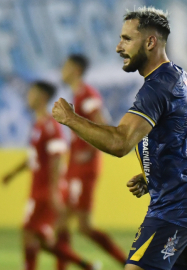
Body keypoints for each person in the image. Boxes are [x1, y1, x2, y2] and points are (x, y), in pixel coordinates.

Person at [52, 7, 187, 270]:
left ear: (150, 42)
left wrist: (70, 119)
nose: (119, 47)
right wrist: (156, 174)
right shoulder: (183, 78)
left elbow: (120, 142)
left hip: (173, 212)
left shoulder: (156, 88)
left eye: (127, 39)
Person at [2, 81, 98, 270]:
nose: (28, 97)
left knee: (29, 234)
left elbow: (57, 157)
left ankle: (83, 265)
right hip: (38, 188)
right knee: (41, 239)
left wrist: (54, 190)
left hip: (46, 190)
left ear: (42, 97)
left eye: (32, 93)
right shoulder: (37, 124)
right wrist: (12, 174)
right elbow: (34, 158)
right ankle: (86, 265)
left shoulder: (50, 126)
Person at [56, 54, 127, 269]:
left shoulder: (87, 94)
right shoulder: (77, 95)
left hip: (84, 168)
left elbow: (103, 124)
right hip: (74, 168)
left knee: (82, 226)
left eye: (66, 66)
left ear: (76, 69)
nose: (62, 70)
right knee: (61, 222)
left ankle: (129, 263)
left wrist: (89, 150)